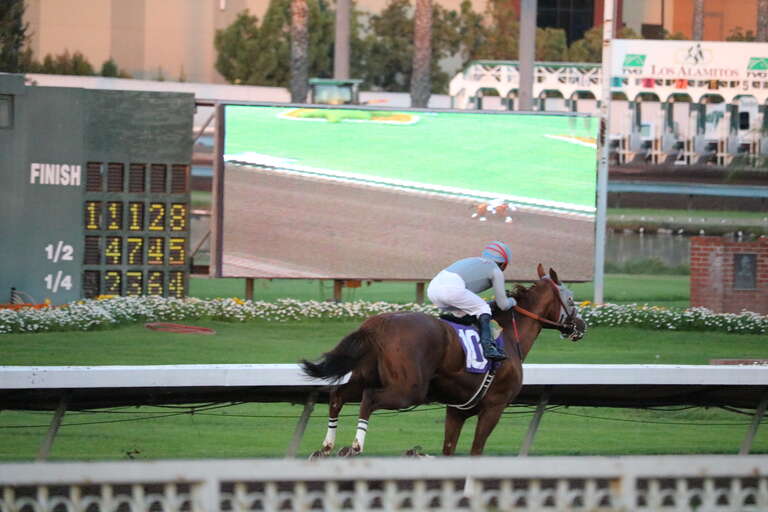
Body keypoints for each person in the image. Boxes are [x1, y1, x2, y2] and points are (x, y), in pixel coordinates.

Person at [427, 241, 516, 361]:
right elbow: (503, 305)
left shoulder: (472, 261)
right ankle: (488, 348)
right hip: (452, 289)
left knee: (467, 313)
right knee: (483, 308)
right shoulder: (496, 270)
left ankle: (456, 335)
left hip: (432, 291)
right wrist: (513, 300)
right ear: (504, 264)